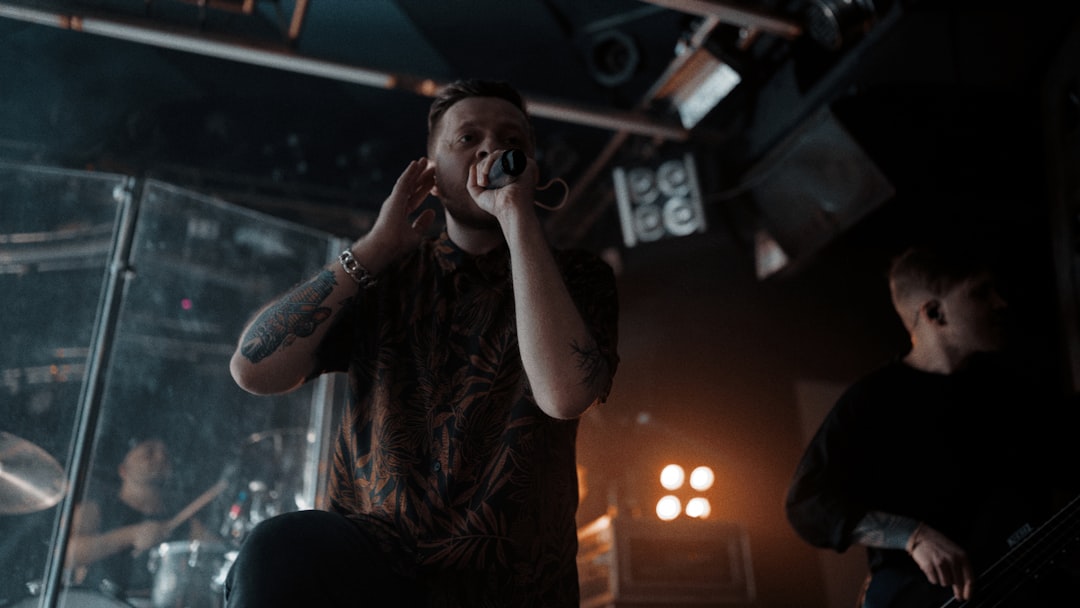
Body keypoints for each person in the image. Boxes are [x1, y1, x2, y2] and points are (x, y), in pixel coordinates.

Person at [224, 79, 620, 607]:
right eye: (468, 138)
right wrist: (373, 248)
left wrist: (517, 217)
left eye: (510, 140)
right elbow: (253, 369)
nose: (490, 149)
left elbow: (565, 395)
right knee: (276, 548)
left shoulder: (577, 277)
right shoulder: (385, 277)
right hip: (376, 566)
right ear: (431, 175)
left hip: (512, 585)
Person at [784, 243, 1078, 608]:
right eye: (980, 292)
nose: (1000, 303)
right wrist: (912, 536)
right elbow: (807, 503)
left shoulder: (1016, 390)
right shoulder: (872, 401)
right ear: (935, 313)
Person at [65, 436, 215, 605]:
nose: (159, 457)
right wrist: (130, 535)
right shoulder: (96, 509)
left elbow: (218, 554)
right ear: (123, 469)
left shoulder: (186, 522)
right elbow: (65, 554)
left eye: (165, 455)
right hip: (100, 602)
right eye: (148, 452)